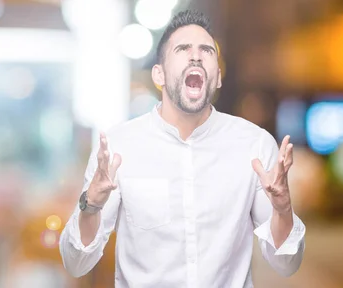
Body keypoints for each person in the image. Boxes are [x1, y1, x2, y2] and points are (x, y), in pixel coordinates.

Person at [58, 10, 305, 287]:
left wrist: (283, 210)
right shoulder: (118, 149)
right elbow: (76, 263)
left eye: (206, 50)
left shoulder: (254, 146)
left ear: (219, 76)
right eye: (183, 49)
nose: (196, 56)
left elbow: (286, 264)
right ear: (159, 74)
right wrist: (90, 205)